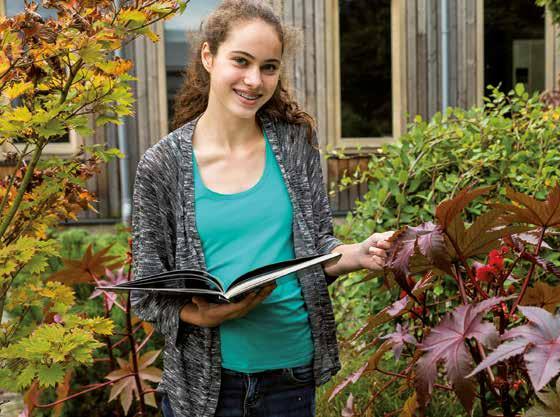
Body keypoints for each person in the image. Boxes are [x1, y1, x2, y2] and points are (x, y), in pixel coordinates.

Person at [129, 1, 393, 416]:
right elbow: (146, 292)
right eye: (241, 61)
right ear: (208, 56)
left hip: (291, 375)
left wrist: (358, 253)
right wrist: (200, 317)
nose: (254, 80)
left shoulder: (293, 145)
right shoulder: (162, 165)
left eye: (269, 67)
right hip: (207, 388)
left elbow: (317, 247)